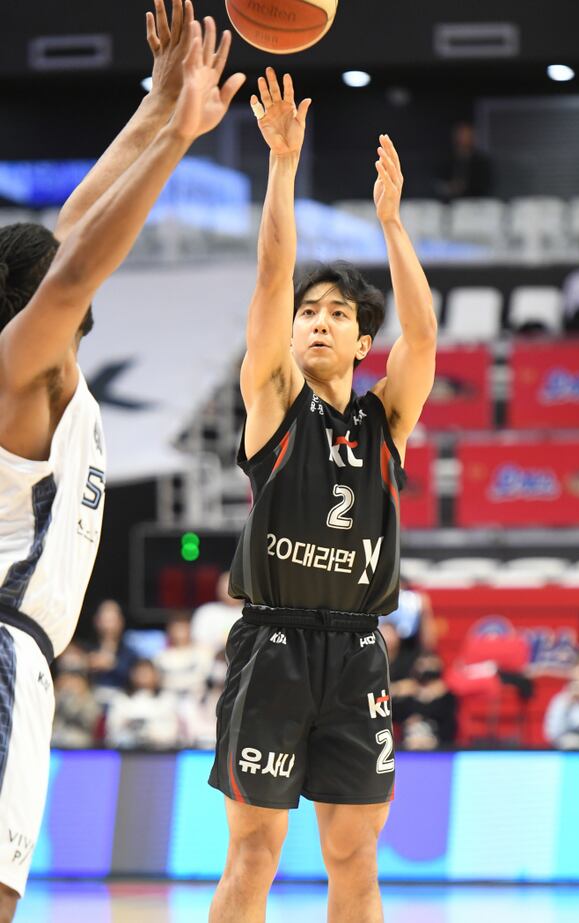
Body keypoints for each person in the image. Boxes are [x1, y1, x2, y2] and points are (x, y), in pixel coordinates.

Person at [0, 5, 245, 915]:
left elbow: (75, 231)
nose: (84, 257)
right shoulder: (20, 365)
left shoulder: (40, 365)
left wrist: (157, 102)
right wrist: (177, 140)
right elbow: (74, 266)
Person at [207, 67, 437, 923]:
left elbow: (425, 335)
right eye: (310, 311)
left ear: (362, 340)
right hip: (273, 644)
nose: (316, 320)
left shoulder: (385, 422)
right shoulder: (275, 402)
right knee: (252, 855)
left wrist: (392, 223)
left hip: (357, 651)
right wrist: (282, 166)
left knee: (356, 858)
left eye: (338, 313)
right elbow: (272, 275)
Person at [105, 657, 182, 749]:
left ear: (155, 674)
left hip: (161, 750)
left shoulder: (167, 698)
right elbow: (113, 728)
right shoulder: (121, 699)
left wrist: (150, 730)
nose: (143, 676)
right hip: (127, 751)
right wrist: (133, 726)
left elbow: (172, 729)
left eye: (146, 672)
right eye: (139, 672)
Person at [392, 653, 457, 750]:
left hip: (439, 748)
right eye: (422, 665)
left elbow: (449, 726)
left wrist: (435, 694)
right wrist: (396, 689)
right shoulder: (406, 696)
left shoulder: (446, 697)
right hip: (405, 748)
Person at [87, 599, 137, 703]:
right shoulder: (86, 650)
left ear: (121, 622)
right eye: (104, 620)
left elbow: (135, 677)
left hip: (122, 700)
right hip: (92, 699)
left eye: (112, 620)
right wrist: (86, 663)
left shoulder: (130, 654)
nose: (108, 626)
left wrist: (112, 664)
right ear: (96, 621)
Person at [434, 121, 492, 201]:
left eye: (467, 134)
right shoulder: (445, 159)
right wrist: (450, 187)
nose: (463, 138)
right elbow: (437, 182)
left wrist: (465, 187)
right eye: (461, 134)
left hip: (475, 201)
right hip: (449, 202)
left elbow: (487, 184)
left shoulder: (482, 161)